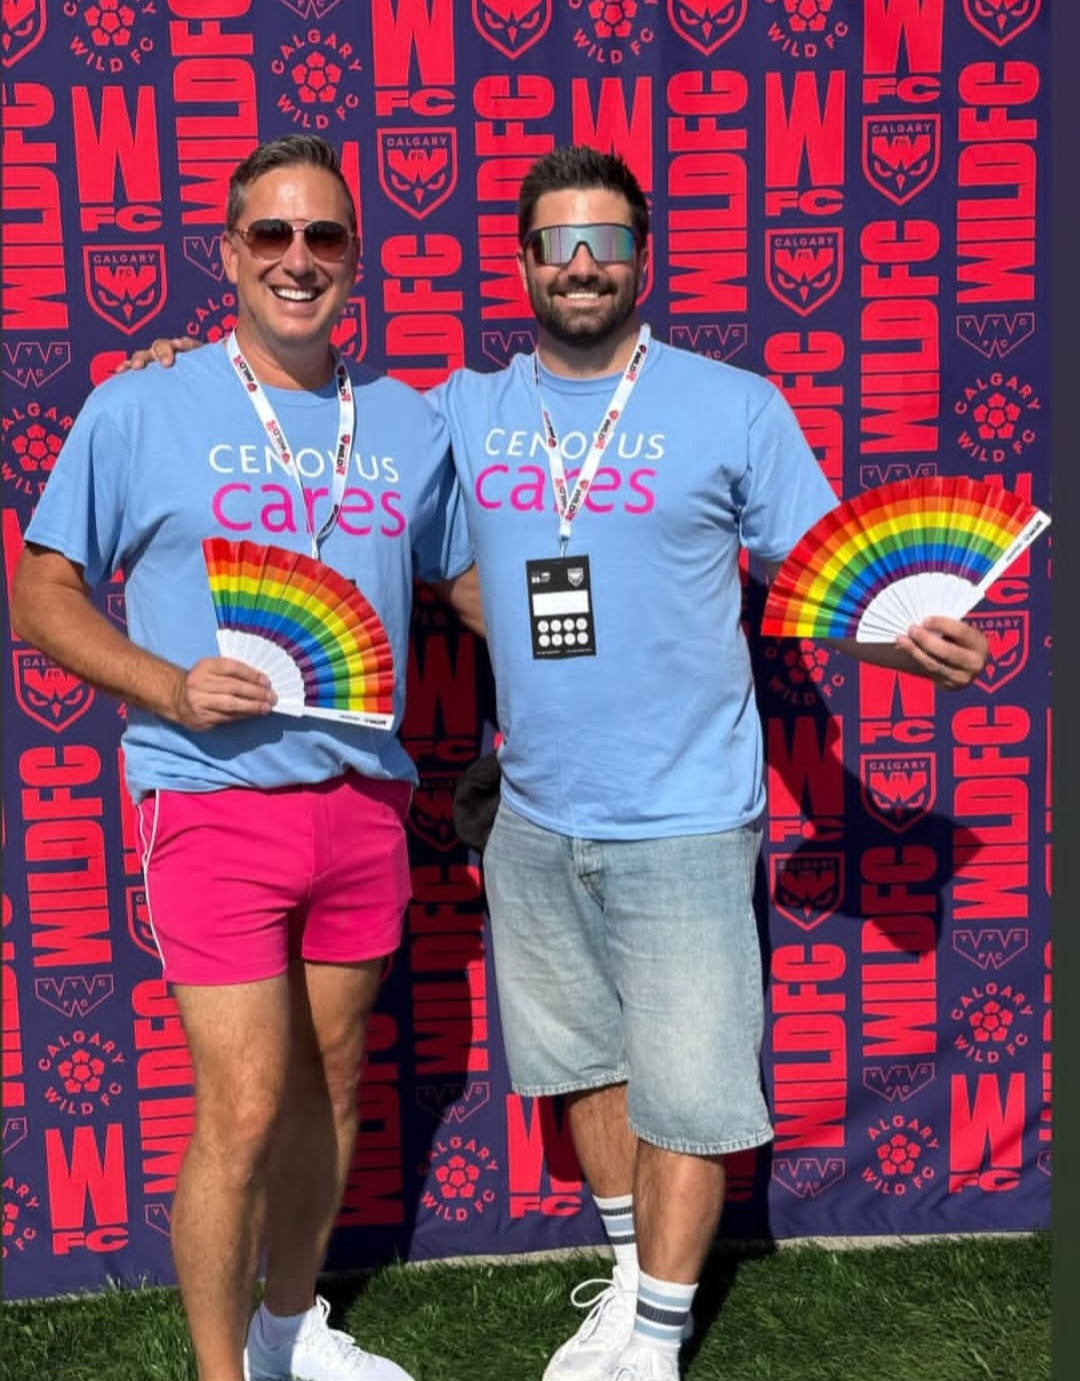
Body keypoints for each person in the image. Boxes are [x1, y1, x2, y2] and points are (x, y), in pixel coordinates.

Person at [119, 145, 989, 1381]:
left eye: (607, 242)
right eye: (558, 244)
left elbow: (824, 575)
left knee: (690, 1093)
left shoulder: (734, 404)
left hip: (688, 811)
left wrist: (908, 640)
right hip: (530, 815)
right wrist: (177, 371)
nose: (583, 265)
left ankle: (655, 1340)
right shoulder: (459, 413)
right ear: (524, 263)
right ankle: (630, 1288)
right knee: (586, 1070)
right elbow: (349, 462)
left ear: (644, 257)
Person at [12, 134, 480, 1381]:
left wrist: (622, 637)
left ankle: (289, 1332)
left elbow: (469, 582)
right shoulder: (141, 403)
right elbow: (41, 593)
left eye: (323, 236)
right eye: (271, 234)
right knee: (247, 1104)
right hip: (210, 799)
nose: (296, 258)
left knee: (335, 1082)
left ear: (356, 261)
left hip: (364, 800)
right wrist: (169, 684)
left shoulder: (407, 423)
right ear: (228, 254)